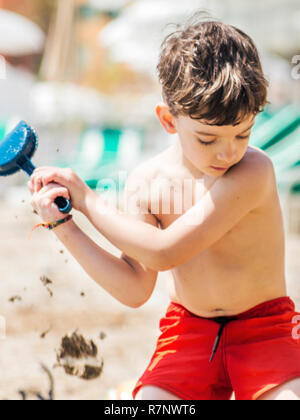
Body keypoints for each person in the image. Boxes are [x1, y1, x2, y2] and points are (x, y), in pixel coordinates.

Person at [27, 15, 300, 400]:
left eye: (243, 133)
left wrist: (87, 199)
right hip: (190, 332)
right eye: (207, 138)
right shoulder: (147, 182)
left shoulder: (252, 171)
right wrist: (65, 226)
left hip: (265, 329)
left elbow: (166, 251)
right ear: (169, 120)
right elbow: (135, 287)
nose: (228, 151)